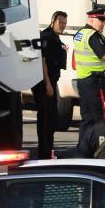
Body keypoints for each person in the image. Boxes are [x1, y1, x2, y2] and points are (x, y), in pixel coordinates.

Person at [73, 6, 105, 132]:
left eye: (104, 21)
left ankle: (83, 149)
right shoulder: (93, 35)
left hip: (83, 80)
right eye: (100, 21)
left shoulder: (80, 33)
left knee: (87, 119)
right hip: (95, 81)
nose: (103, 24)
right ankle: (101, 150)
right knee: (100, 116)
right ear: (91, 20)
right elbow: (104, 55)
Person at [33, 10, 67, 159]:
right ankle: (44, 154)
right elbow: (42, 60)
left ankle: (48, 151)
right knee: (46, 119)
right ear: (53, 21)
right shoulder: (46, 36)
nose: (63, 26)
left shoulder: (54, 37)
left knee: (51, 118)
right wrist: (47, 84)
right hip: (44, 84)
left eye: (65, 23)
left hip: (51, 82)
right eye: (60, 22)